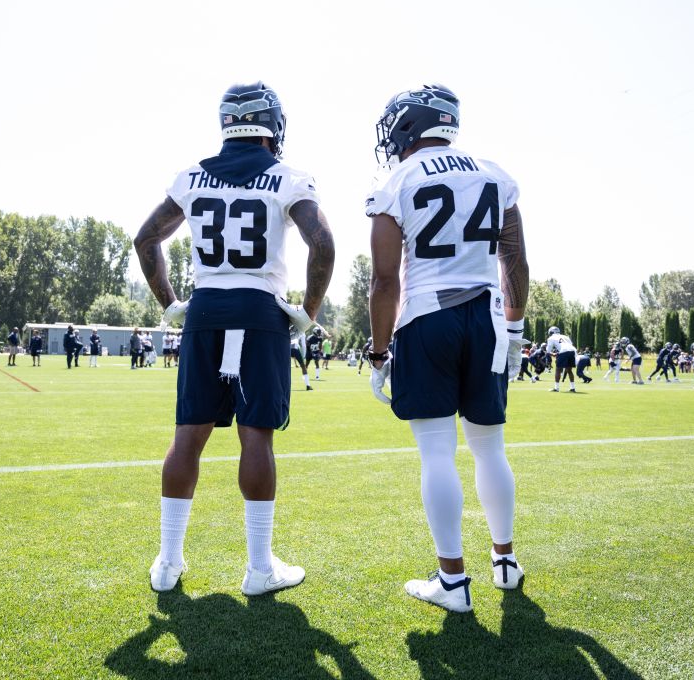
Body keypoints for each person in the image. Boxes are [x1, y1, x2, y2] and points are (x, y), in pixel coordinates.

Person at [133, 81, 335, 596]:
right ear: (272, 126)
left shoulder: (192, 176)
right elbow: (323, 243)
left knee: (187, 437)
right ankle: (259, 568)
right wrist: (307, 312)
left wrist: (172, 304)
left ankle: (168, 563)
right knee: (256, 435)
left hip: (205, 309)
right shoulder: (288, 177)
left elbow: (146, 238)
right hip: (259, 311)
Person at [366, 84, 529, 613]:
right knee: (490, 448)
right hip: (486, 317)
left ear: (409, 126)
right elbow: (515, 262)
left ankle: (452, 582)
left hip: (426, 317)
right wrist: (516, 329)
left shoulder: (398, 180)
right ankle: (504, 562)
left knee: (437, 451)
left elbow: (384, 281)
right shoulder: (492, 173)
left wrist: (378, 351)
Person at [545, 326, 578, 393]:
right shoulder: (565, 336)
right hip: (572, 351)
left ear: (551, 332)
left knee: (558, 370)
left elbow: (548, 351)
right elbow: (569, 345)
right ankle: (573, 388)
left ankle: (556, 388)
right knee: (569, 370)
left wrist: (553, 354)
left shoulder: (551, 338)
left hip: (563, 351)